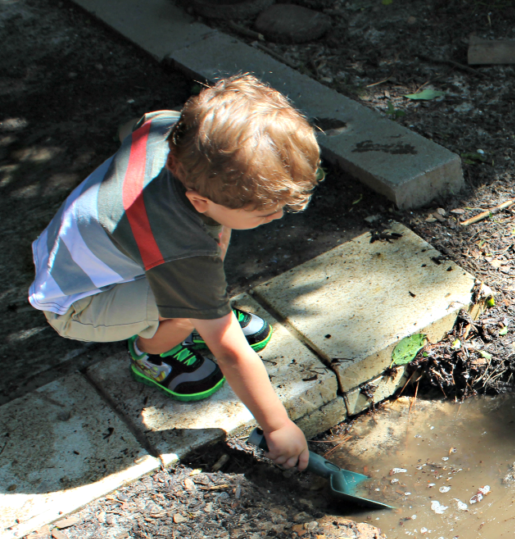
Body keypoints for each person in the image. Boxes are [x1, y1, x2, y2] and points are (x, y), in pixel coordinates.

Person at [27, 74, 316, 470]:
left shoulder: (175, 132)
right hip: (76, 302)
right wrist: (278, 426)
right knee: (189, 304)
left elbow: (133, 127)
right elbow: (231, 354)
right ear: (198, 200)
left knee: (208, 261)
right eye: (268, 212)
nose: (279, 216)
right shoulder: (180, 247)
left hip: (71, 252)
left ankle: (199, 314)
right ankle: (153, 355)